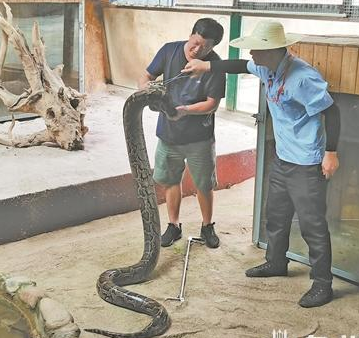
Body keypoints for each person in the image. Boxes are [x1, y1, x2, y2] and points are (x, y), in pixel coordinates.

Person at [183, 20, 340, 308]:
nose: (252, 54)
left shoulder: (302, 78)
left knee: (312, 225)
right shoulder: (267, 66)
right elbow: (242, 66)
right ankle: (276, 262)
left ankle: (322, 284)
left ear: (274, 51)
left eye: (257, 49)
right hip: (283, 158)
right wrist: (206, 67)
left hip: (306, 162)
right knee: (276, 215)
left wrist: (331, 153)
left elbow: (332, 111)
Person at [138, 18, 226, 249]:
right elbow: (146, 76)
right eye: (195, 43)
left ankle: (207, 226)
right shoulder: (169, 50)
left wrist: (185, 110)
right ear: (190, 35)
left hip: (200, 138)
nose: (197, 50)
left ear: (213, 47)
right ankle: (174, 225)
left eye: (205, 47)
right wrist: (145, 89)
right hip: (168, 134)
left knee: (204, 185)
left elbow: (212, 104)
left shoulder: (214, 66)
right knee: (170, 181)